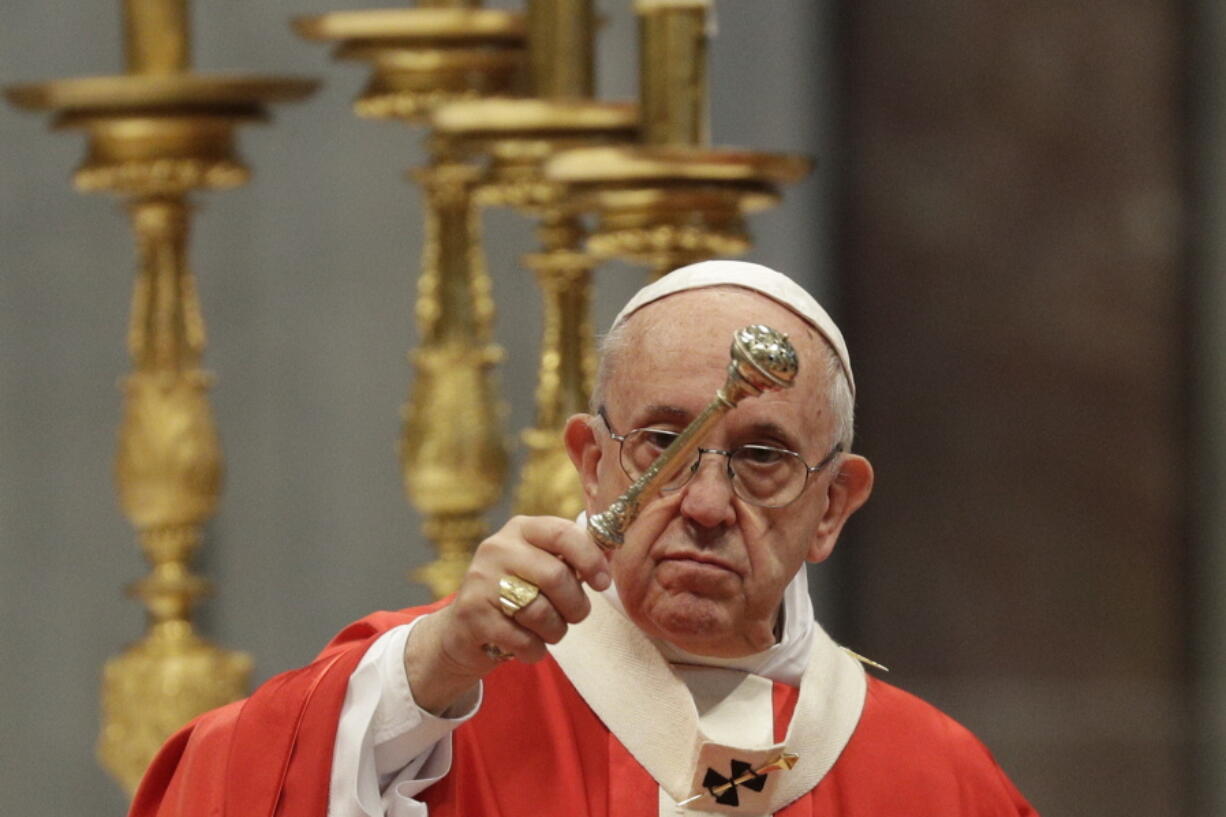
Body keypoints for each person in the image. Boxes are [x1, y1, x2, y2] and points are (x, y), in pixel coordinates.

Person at [131, 260, 1038, 817]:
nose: (708, 503)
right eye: (662, 444)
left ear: (833, 503)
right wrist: (432, 662)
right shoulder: (439, 708)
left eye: (761, 456)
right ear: (592, 463)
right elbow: (220, 790)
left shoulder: (936, 781)